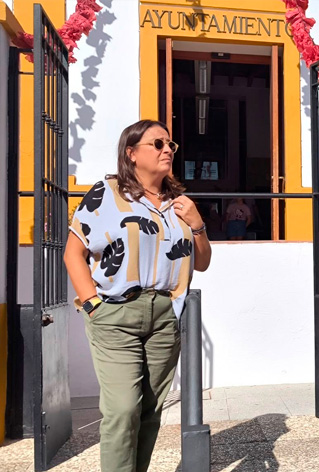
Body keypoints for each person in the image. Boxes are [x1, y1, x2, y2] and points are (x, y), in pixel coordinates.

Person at [63, 119, 212, 472]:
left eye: (170, 144)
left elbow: (202, 262)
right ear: (131, 153)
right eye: (157, 144)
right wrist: (92, 304)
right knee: (121, 409)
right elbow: (73, 253)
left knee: (149, 410)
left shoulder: (178, 202)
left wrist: (198, 224)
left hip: (164, 314)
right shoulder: (106, 194)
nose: (167, 150)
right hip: (115, 313)